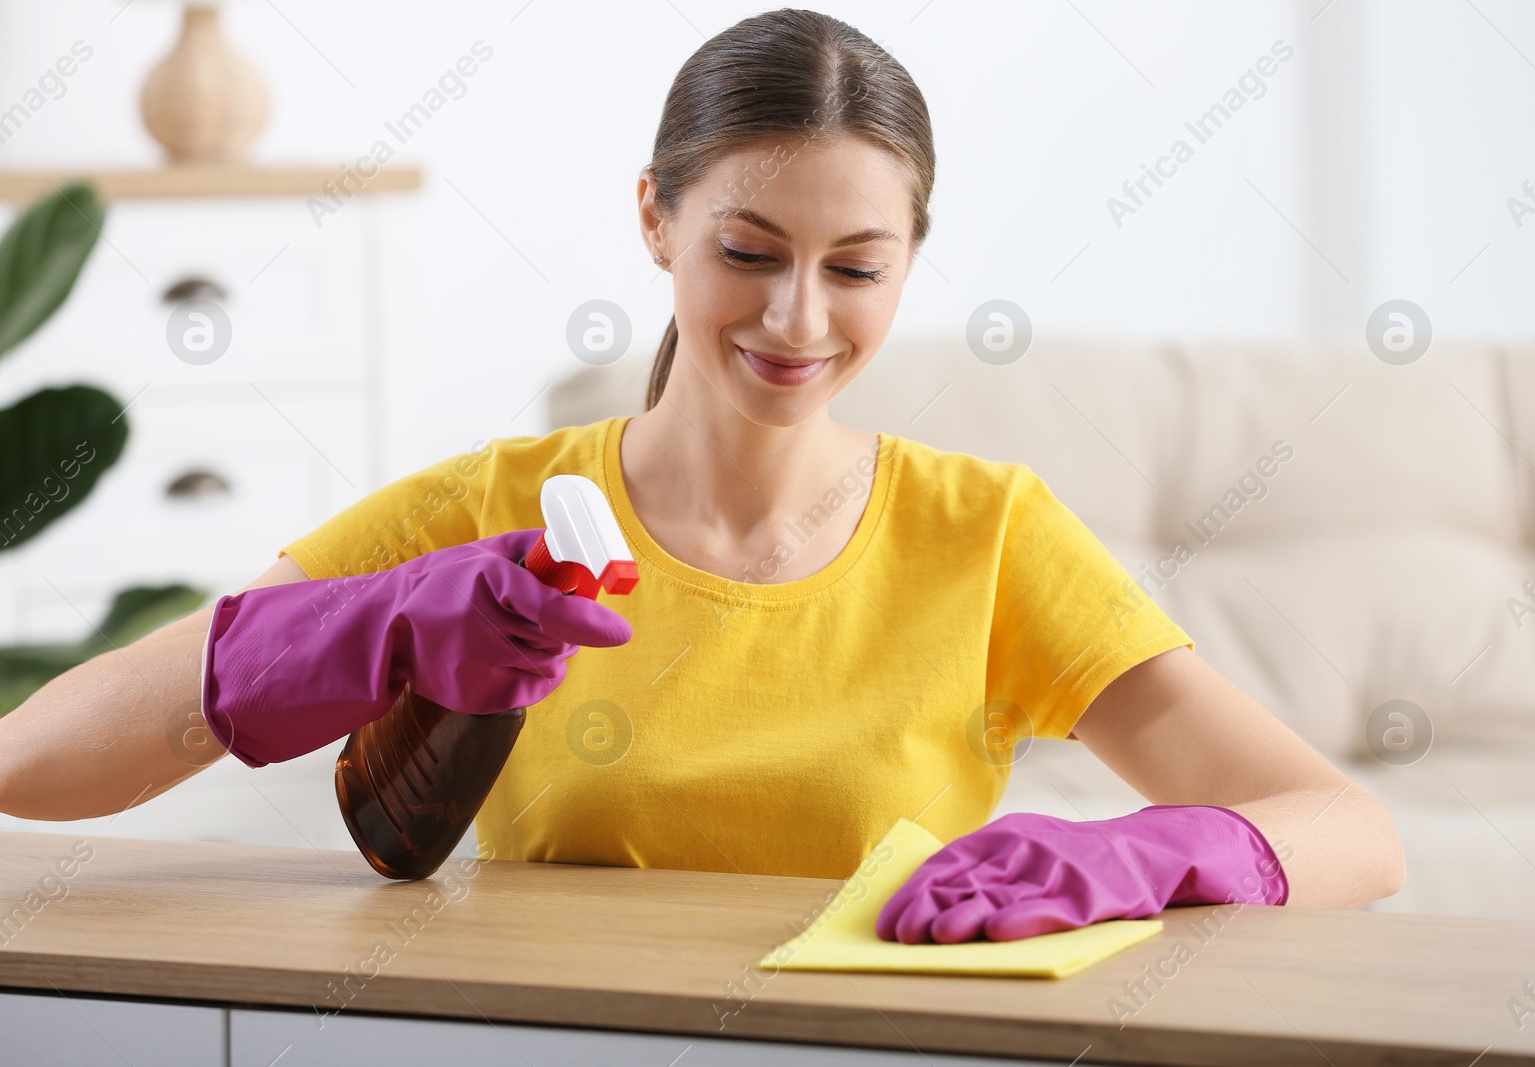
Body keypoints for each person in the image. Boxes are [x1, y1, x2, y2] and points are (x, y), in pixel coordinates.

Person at [0, 8, 1403, 944]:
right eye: (747, 252)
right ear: (655, 220)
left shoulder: (987, 536)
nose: (799, 320)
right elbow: (33, 763)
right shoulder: (489, 510)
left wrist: (1138, 860)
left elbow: (1351, 830)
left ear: (909, 264)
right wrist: (359, 627)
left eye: (856, 269)